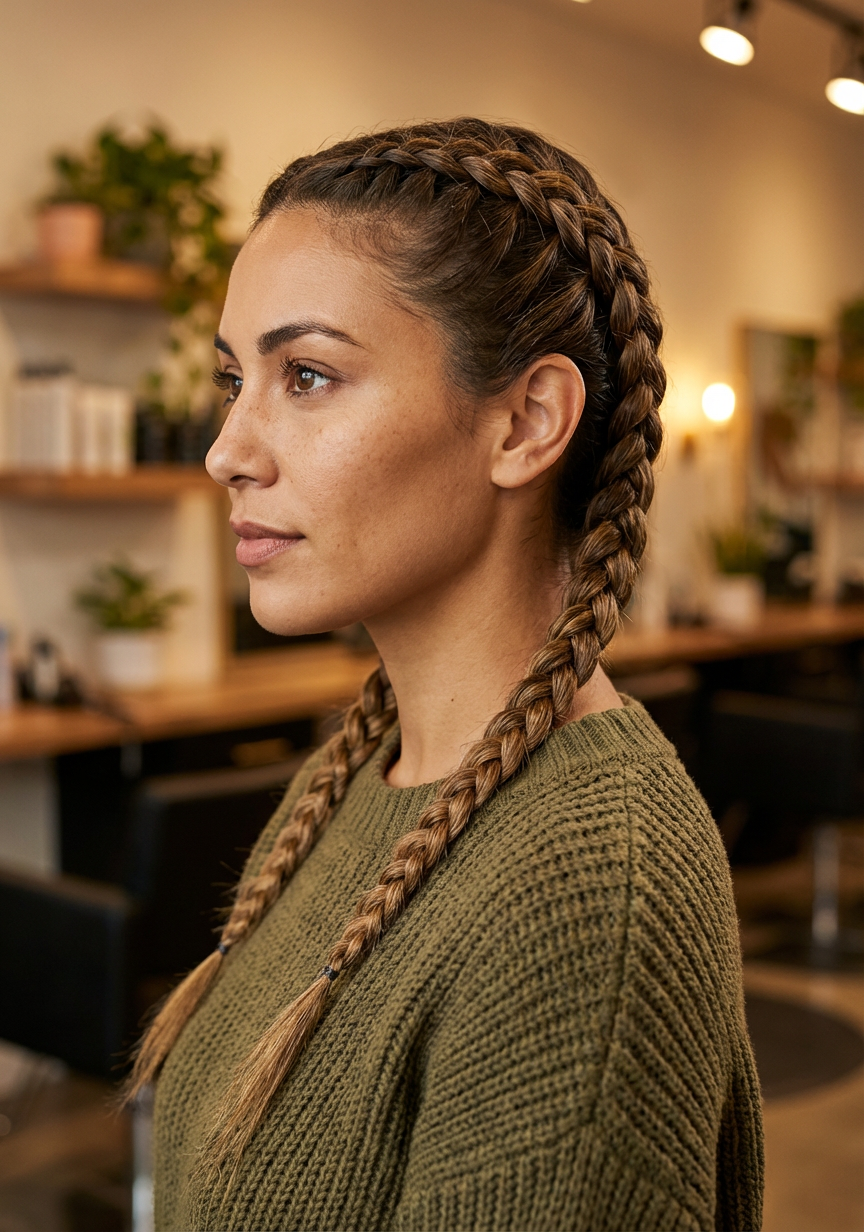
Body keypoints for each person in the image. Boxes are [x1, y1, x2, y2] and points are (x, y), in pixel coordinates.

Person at [128, 119, 763, 1232]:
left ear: (525, 422)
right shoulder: (356, 773)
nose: (229, 447)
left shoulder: (589, 878)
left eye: (309, 375)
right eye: (237, 379)